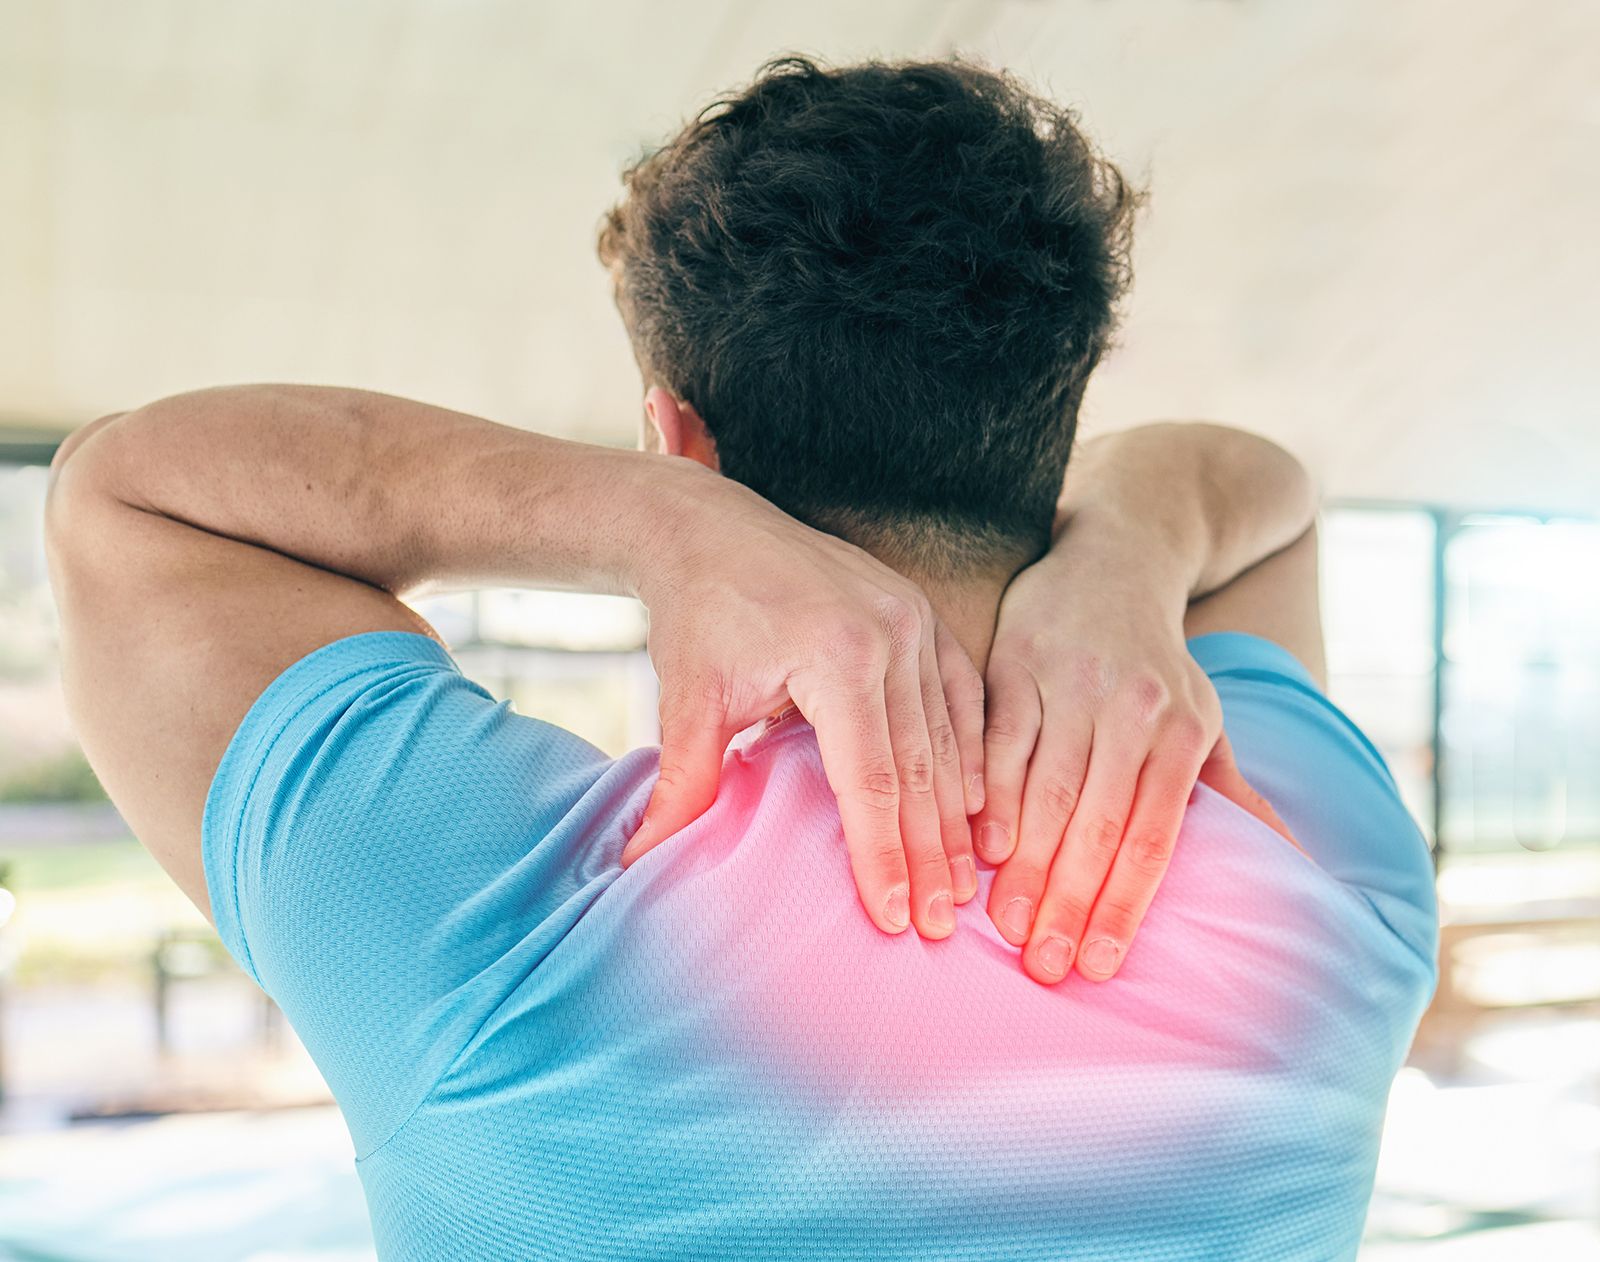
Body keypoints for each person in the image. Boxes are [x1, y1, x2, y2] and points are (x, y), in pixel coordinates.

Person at [44, 55, 1437, 1262]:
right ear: (1048, 434)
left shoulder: (500, 935)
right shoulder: (1324, 878)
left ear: (683, 437)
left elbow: (126, 495)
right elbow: (1268, 500)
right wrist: (1131, 549)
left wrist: (650, 522)